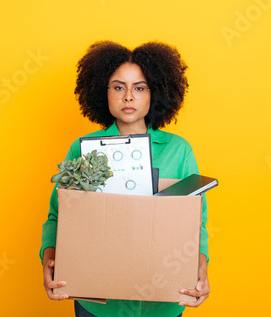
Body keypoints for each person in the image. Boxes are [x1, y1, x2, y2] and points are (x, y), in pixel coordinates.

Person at [40, 40, 210, 317]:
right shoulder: (82, 148)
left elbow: (194, 221)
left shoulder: (179, 150)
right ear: (102, 92)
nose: (128, 96)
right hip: (97, 303)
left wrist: (200, 268)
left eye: (139, 88)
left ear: (155, 93)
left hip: (162, 301)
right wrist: (48, 261)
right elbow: (58, 216)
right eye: (118, 87)